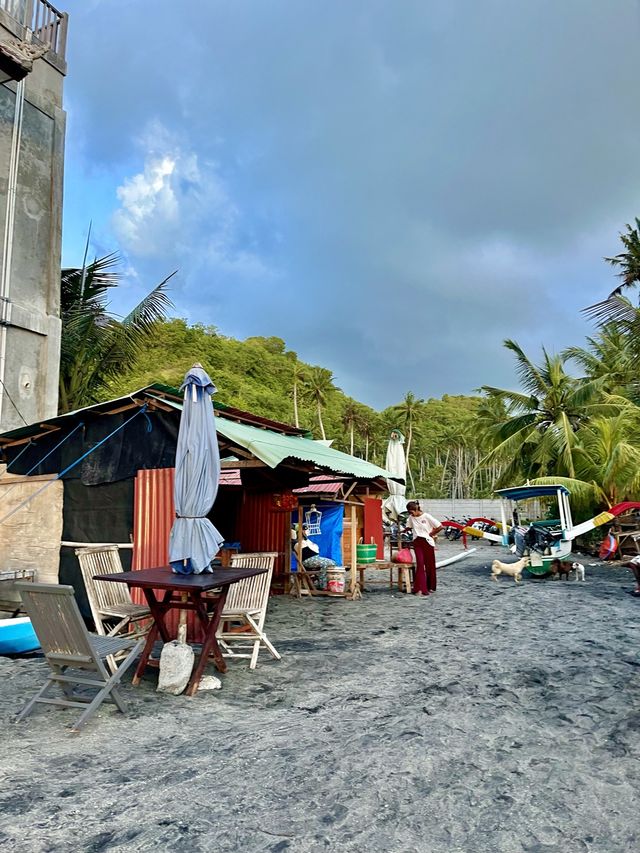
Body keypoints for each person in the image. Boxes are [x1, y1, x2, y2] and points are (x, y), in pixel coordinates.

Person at [404, 500, 443, 596]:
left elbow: (440, 526)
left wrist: (431, 534)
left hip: (427, 542)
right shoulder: (410, 518)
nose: (410, 514)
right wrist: (402, 530)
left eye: (411, 511)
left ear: (416, 509)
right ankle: (420, 588)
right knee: (420, 564)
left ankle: (431, 586)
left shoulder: (427, 516)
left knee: (430, 566)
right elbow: (408, 527)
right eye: (409, 512)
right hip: (417, 542)